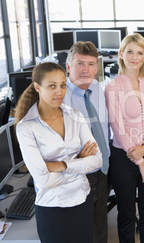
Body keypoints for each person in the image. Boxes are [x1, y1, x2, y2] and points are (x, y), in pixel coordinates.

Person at [15, 62, 102, 243]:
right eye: (52, 86)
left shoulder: (75, 115)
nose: (59, 91)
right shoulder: (26, 127)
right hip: (53, 208)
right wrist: (79, 163)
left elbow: (97, 161)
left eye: (63, 85)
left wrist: (61, 165)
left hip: (82, 201)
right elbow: (44, 181)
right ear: (37, 87)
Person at [105, 33, 144, 242]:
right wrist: (140, 161)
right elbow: (117, 127)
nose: (134, 57)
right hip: (124, 157)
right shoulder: (112, 87)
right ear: (121, 54)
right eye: (129, 51)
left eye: (140, 52)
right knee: (127, 213)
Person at [63, 41, 110, 243]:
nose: (86, 70)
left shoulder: (98, 88)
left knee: (100, 222)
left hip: (103, 167)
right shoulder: (60, 96)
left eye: (91, 64)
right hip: (78, 172)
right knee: (81, 227)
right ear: (68, 67)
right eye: (80, 63)